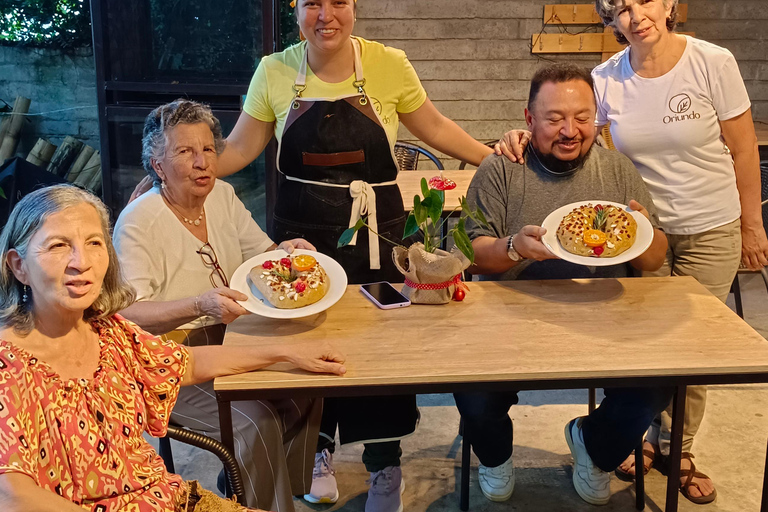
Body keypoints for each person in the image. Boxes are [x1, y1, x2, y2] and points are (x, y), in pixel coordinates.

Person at [185, 1, 493, 510]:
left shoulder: (389, 64)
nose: (326, 15)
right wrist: (175, 173)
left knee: (383, 347)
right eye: (312, 4)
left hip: (377, 231)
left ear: (354, 8)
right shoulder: (275, 69)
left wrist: (495, 156)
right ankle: (318, 452)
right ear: (296, 10)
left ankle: (385, 463)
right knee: (307, 344)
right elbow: (237, 149)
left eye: (338, 3)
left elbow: (434, 127)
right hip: (299, 238)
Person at [496, 0, 768, 503]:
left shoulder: (713, 61)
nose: (634, 14)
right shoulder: (605, 77)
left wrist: (753, 225)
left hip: (710, 225)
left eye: (644, 0)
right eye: (619, 7)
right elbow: (569, 124)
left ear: (668, 5)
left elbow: (745, 146)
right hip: (639, 236)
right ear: (611, 20)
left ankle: (677, 450)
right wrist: (521, 133)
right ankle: (631, 437)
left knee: (693, 345)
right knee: (651, 343)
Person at [0, 185, 347, 512]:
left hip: (167, 499)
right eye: (58, 246)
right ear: (18, 266)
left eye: (94, 243)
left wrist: (287, 352)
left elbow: (189, 363)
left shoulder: (108, 331)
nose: (82, 261)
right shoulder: (8, 364)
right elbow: (12, 496)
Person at [455, 62, 673, 506]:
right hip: (509, 316)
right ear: (529, 119)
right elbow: (470, 254)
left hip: (607, 315)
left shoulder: (616, 169)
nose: (569, 130)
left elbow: (654, 258)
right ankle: (495, 457)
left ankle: (593, 447)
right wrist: (515, 247)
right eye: (554, 119)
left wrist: (646, 234)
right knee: (471, 389)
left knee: (657, 384)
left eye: (581, 117)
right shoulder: (501, 169)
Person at [113, 99, 324, 512]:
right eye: (184, 151)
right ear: (157, 165)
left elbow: (263, 252)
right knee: (256, 424)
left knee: (307, 388)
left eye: (208, 149)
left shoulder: (222, 196)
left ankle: (262, 491)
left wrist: (286, 249)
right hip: (168, 360)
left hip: (233, 340)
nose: (201, 162)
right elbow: (126, 315)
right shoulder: (140, 221)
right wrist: (199, 303)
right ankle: (260, 502)